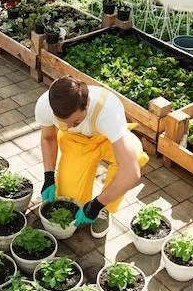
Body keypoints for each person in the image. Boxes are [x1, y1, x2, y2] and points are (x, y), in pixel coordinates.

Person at [34, 76, 149, 232]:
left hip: (106, 139)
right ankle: (90, 202)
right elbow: (48, 138)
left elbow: (131, 172)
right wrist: (48, 176)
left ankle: (105, 208)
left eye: (75, 122)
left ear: (87, 105)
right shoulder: (44, 104)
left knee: (133, 155)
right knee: (72, 200)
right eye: (63, 121)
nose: (68, 126)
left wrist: (97, 204)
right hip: (77, 142)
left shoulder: (107, 111)